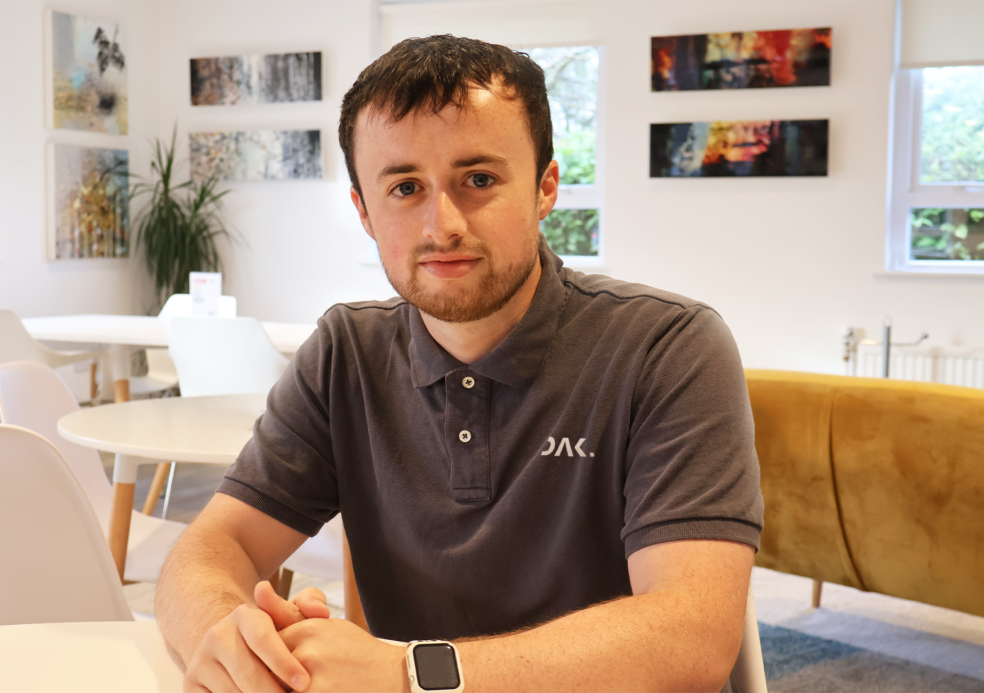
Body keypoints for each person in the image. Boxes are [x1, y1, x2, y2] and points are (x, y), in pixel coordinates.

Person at [156, 34, 763, 693]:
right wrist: (227, 636)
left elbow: (691, 637)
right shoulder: (345, 353)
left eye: (478, 180)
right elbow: (212, 547)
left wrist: (408, 673)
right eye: (405, 187)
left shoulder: (667, 347)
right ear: (363, 209)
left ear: (545, 186)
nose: (441, 224)